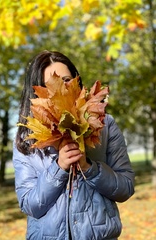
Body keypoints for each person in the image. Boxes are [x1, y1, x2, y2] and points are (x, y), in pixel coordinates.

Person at [13, 50, 135, 240]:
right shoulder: (27, 136)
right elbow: (29, 204)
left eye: (66, 79)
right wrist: (58, 168)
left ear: (77, 82)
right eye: (48, 85)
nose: (60, 89)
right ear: (36, 93)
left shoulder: (105, 125)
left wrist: (90, 169)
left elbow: (125, 187)